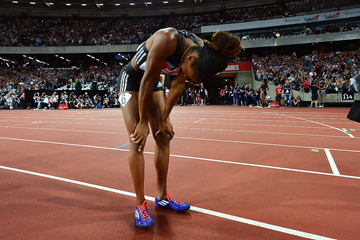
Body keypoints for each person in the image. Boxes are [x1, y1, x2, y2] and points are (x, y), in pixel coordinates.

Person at [116, 27, 241, 228]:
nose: (186, 76)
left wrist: (165, 118)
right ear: (191, 59)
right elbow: (145, 81)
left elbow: (177, 84)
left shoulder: (201, 50)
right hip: (132, 78)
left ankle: (162, 196)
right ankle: (140, 204)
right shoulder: (167, 39)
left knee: (163, 136)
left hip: (153, 78)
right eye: (190, 73)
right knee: (138, 140)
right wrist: (142, 123)